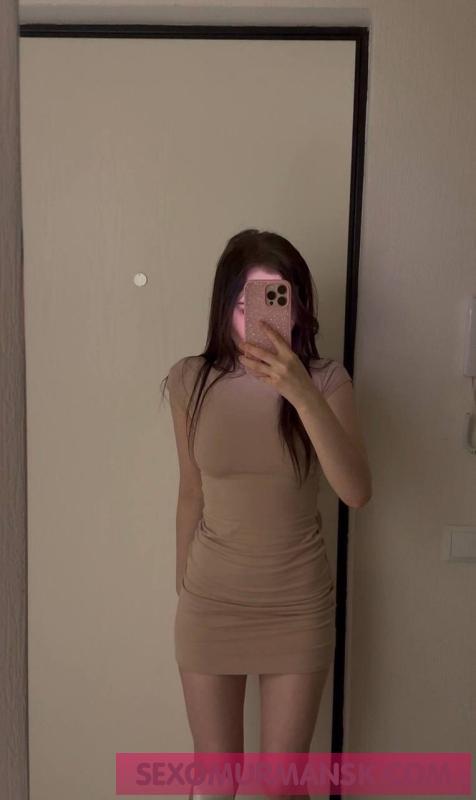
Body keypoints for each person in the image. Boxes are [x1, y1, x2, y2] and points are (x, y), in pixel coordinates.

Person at [162, 228, 372, 800]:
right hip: (211, 603)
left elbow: (356, 491)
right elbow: (190, 490)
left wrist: (300, 391)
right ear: (224, 305)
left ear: (298, 304)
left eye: (280, 297)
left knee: (282, 786)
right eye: (244, 301)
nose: (261, 315)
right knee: (215, 779)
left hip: (296, 606)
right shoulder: (190, 380)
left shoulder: (327, 381)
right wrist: (185, 585)